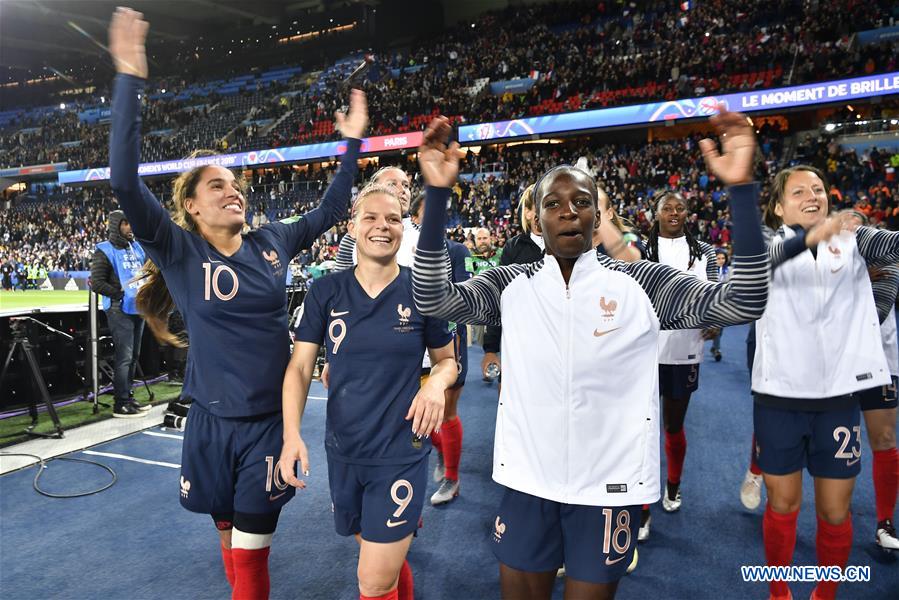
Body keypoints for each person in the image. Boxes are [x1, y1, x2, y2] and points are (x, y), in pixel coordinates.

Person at [413, 109, 769, 600]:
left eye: (581, 202)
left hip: (609, 486)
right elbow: (432, 298)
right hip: (528, 480)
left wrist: (742, 190)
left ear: (597, 218)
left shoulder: (641, 283)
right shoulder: (510, 283)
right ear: (536, 219)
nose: (567, 211)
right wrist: (435, 195)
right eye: (553, 204)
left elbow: (745, 300)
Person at [106, 9, 367, 599]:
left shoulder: (272, 241)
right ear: (192, 206)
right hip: (207, 423)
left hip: (268, 425)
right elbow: (124, 181)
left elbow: (331, 211)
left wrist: (351, 143)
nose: (233, 190)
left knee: (252, 553)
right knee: (226, 530)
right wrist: (128, 79)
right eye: (217, 185)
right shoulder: (178, 250)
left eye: (236, 184)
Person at [280, 184, 457, 600]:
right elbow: (301, 367)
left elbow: (448, 361)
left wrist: (435, 383)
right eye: (371, 217)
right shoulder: (325, 291)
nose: (382, 226)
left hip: (399, 451)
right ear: (352, 226)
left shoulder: (422, 289)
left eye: (393, 219)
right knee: (380, 557)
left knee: (373, 580)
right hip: (343, 449)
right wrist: (291, 435)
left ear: (403, 228)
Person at [751, 166, 899, 600]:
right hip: (778, 398)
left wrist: (848, 231)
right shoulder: (764, 244)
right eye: (799, 191)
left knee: (835, 512)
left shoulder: (854, 239)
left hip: (838, 399)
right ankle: (779, 592)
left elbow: (890, 245)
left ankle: (825, 593)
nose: (812, 196)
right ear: (779, 208)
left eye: (818, 189)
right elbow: (755, 264)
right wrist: (810, 238)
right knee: (783, 504)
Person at [638, 189, 719, 540]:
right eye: (667, 208)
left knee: (673, 425)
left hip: (685, 348)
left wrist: (714, 319)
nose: (674, 212)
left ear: (687, 214)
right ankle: (641, 504)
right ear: (655, 214)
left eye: (680, 208)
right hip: (642, 351)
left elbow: (714, 293)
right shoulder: (640, 251)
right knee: (641, 427)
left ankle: (673, 484)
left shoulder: (705, 252)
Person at [409, 192, 472, 505]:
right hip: (409, 341)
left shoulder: (459, 251)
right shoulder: (400, 251)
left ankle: (452, 478)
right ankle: (442, 449)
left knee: (446, 410)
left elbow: (464, 296)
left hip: (448, 340)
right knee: (416, 411)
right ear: (415, 218)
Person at [845, 211, 899, 551]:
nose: (852, 228)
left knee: (885, 440)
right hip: (839, 363)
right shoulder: (829, 260)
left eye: (859, 223)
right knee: (842, 443)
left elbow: (875, 311)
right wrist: (857, 278)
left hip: (880, 360)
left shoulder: (887, 258)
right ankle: (838, 510)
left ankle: (885, 522)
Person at [89, 209, 149, 418]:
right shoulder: (104, 250)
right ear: (116, 226)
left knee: (134, 357)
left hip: (139, 307)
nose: (130, 227)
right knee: (125, 357)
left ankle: (128, 397)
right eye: (126, 223)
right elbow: (96, 282)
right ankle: (120, 403)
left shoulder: (137, 247)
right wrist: (120, 294)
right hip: (119, 308)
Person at [481, 184, 543, 382]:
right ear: (527, 213)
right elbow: (500, 297)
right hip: (518, 341)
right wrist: (491, 349)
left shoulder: (567, 247)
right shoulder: (513, 248)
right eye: (540, 205)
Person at [710, 249, 730, 361]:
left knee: (720, 329)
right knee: (716, 326)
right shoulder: (709, 270)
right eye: (718, 258)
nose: (721, 260)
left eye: (723, 258)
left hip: (725, 303)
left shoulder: (730, 271)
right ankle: (717, 350)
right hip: (712, 303)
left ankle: (714, 347)